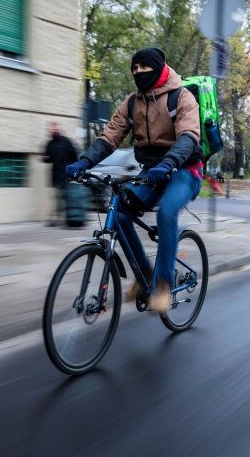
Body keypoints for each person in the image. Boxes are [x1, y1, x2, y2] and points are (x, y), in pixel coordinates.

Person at [65, 47, 202, 312]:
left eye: (143, 67)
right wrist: (84, 162)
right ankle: (145, 275)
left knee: (167, 212)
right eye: (134, 68)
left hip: (185, 170)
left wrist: (169, 163)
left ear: (158, 68)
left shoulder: (181, 97)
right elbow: (109, 137)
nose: (138, 72)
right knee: (120, 214)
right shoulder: (132, 103)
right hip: (152, 172)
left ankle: (162, 285)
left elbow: (188, 136)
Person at [42, 123, 79, 227]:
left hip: (66, 175)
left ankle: (63, 219)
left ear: (59, 131)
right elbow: (48, 159)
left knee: (64, 198)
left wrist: (72, 170)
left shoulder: (66, 141)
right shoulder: (50, 143)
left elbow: (74, 156)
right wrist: (44, 158)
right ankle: (59, 219)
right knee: (57, 198)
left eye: (55, 130)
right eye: (51, 131)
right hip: (55, 175)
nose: (53, 132)